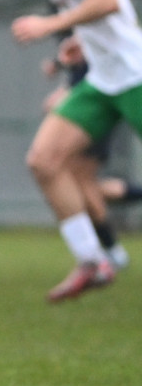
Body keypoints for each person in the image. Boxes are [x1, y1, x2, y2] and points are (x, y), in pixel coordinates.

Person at [9, 0, 142, 301]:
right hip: (103, 79)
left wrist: (51, 25)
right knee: (44, 161)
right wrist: (79, 43)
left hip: (134, 74)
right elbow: (96, 14)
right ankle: (93, 260)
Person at [39, 40, 130, 271]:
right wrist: (59, 64)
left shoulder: (93, 22)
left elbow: (94, 65)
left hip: (93, 113)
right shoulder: (81, 35)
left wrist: (44, 27)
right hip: (92, 107)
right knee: (81, 185)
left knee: (84, 185)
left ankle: (107, 253)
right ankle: (105, 253)